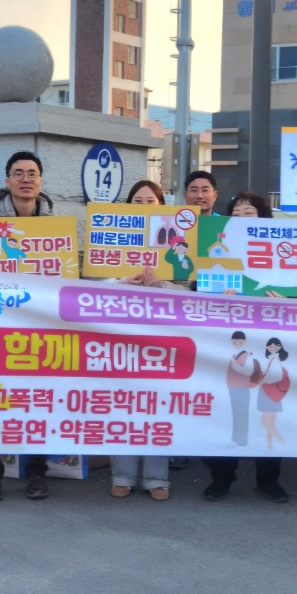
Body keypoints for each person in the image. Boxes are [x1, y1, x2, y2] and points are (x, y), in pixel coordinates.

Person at [202, 195, 291, 504]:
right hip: (231, 346)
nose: (242, 217)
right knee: (228, 411)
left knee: (268, 412)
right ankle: (221, 478)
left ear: (263, 218)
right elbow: (197, 300)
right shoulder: (214, 253)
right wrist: (216, 297)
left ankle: (269, 480)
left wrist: (287, 301)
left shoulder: (282, 255)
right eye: (236, 214)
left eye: (249, 212)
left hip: (268, 346)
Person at [0, 151, 55, 500]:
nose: (26, 179)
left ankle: (37, 472)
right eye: (19, 173)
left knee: (38, 402)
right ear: (7, 181)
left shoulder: (59, 228)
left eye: (33, 173)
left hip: (41, 330)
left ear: (40, 181)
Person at [109, 179, 173, 501]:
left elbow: (193, 290)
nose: (145, 207)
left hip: (162, 336)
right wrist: (117, 284)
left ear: (162, 207)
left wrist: (162, 287)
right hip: (121, 332)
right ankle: (122, 473)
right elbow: (90, 286)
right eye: (137, 202)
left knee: (157, 404)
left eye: (151, 202)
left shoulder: (179, 244)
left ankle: (156, 477)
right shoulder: (109, 240)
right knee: (123, 402)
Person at [255, 338, 290, 450]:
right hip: (273, 393)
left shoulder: (274, 360)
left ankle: (281, 441)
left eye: (276, 345)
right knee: (270, 422)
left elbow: (275, 377)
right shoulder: (273, 359)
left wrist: (262, 381)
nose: (273, 347)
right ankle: (270, 445)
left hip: (268, 392)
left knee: (265, 422)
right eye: (270, 345)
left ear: (280, 347)